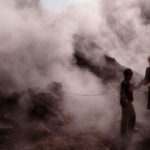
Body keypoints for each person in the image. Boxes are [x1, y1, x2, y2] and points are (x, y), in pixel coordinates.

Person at [120, 68, 137, 136]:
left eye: (131, 75)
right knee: (125, 117)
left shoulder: (129, 82)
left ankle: (131, 129)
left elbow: (133, 89)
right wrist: (126, 100)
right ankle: (123, 133)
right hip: (125, 103)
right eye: (130, 75)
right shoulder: (124, 82)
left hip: (129, 102)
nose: (131, 76)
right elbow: (122, 92)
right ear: (126, 75)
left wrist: (139, 84)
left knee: (133, 115)